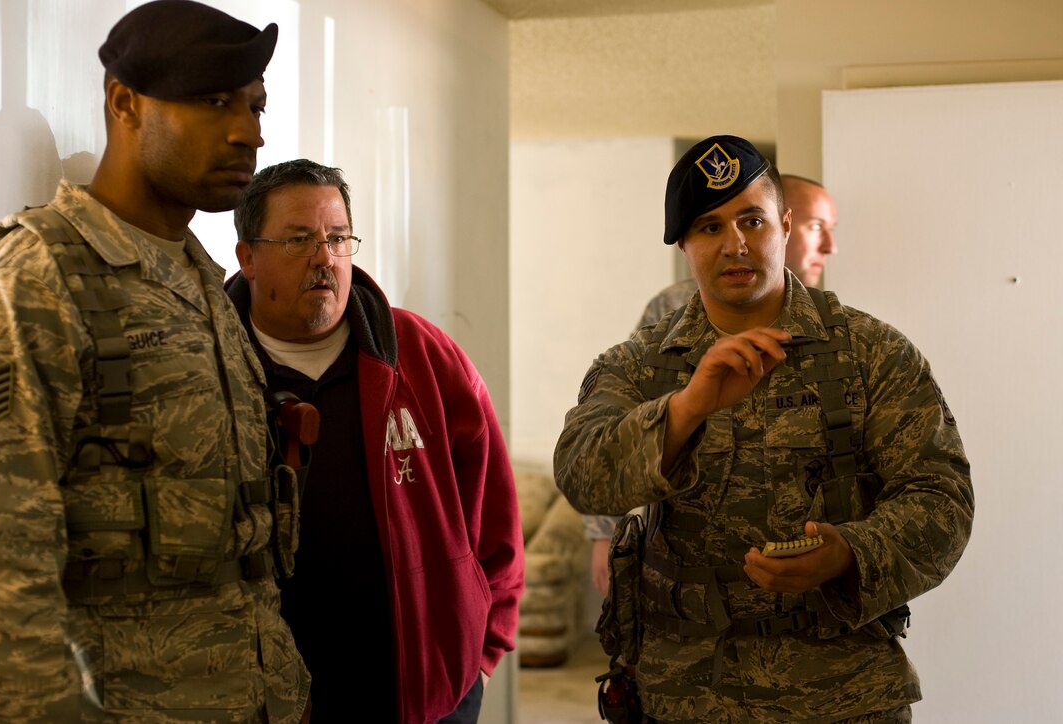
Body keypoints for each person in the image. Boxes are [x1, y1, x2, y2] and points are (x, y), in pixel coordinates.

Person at [555, 135, 973, 721]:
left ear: (784, 224)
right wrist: (685, 409)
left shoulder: (871, 353)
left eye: (752, 220)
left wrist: (849, 553)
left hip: (842, 697)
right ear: (683, 244)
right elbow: (582, 477)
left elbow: (943, 500)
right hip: (684, 696)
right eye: (709, 227)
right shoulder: (639, 364)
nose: (736, 244)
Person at [0, 2, 310, 721]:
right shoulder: (39, 278)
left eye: (255, 106)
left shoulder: (201, 278)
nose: (248, 132)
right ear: (125, 103)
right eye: (214, 101)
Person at [226, 159, 525, 724]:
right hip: (266, 698)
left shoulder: (422, 354)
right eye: (299, 240)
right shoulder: (210, 367)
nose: (324, 258)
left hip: (423, 695)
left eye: (338, 238)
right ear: (248, 257)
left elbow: (495, 513)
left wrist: (482, 652)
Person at [585, 174, 841, 597]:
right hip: (692, 576)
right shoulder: (675, 308)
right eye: (817, 227)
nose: (829, 246)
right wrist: (604, 532)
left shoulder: (836, 327)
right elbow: (622, 417)